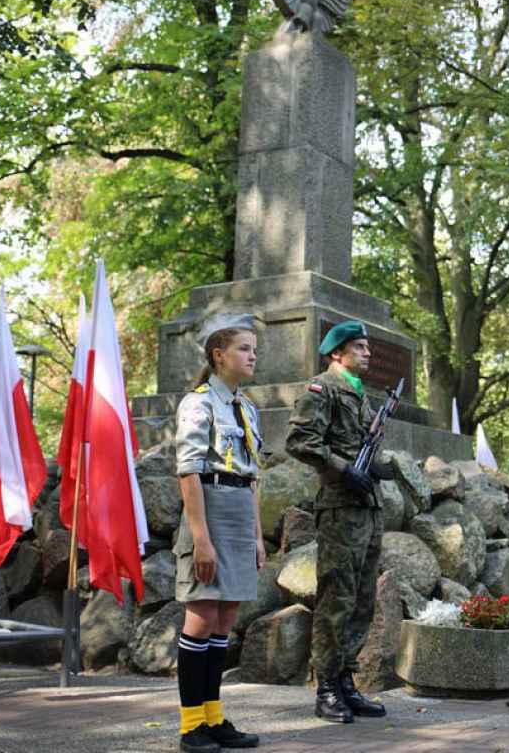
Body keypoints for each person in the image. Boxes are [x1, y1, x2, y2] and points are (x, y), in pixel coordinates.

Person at [285, 320, 391, 723]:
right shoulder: (322, 388)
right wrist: (345, 470)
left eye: (367, 347)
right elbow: (300, 442)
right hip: (341, 507)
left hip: (367, 507)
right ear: (337, 353)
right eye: (360, 347)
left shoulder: (361, 395)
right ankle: (326, 687)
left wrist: (377, 469)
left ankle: (346, 681)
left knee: (363, 599)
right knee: (337, 598)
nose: (368, 353)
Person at [173, 314, 264, 752]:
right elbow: (188, 471)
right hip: (208, 509)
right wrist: (200, 538)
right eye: (245, 348)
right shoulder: (199, 403)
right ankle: (191, 725)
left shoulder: (246, 407)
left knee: (225, 618)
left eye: (254, 349)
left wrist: (259, 537)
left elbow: (253, 477)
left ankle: (214, 716)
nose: (253, 355)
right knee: (202, 615)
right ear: (219, 354)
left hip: (239, 512)